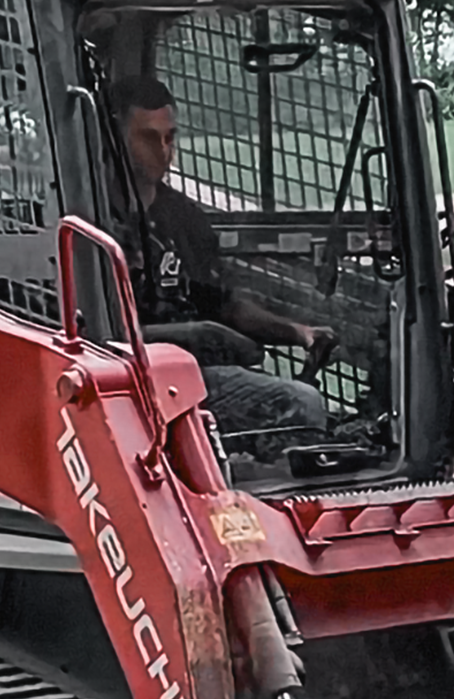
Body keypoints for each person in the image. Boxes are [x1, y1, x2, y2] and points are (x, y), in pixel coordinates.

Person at [104, 74, 333, 458]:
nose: (164, 151)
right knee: (299, 402)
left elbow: (223, 304)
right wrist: (198, 334)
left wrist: (297, 332)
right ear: (116, 140)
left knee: (296, 402)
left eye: (170, 137)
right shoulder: (94, 216)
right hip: (126, 380)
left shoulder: (184, 218)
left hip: (195, 377)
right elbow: (101, 331)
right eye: (148, 138)